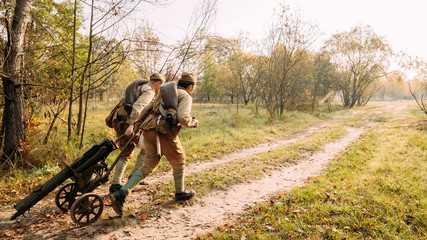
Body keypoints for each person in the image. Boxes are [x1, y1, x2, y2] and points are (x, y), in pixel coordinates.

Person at [109, 72, 199, 216]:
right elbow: (183, 117)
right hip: (162, 131)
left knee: (148, 165)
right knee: (179, 160)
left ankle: (121, 193)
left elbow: (148, 108)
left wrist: (138, 126)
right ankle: (180, 192)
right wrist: (193, 122)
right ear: (190, 86)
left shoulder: (166, 92)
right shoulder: (185, 95)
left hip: (148, 129)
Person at [109, 73, 165, 194]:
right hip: (127, 122)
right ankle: (132, 178)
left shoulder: (139, 86)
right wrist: (131, 125)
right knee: (146, 147)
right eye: (161, 85)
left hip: (117, 120)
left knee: (126, 151)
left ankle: (116, 183)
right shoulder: (149, 91)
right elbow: (138, 107)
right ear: (158, 83)